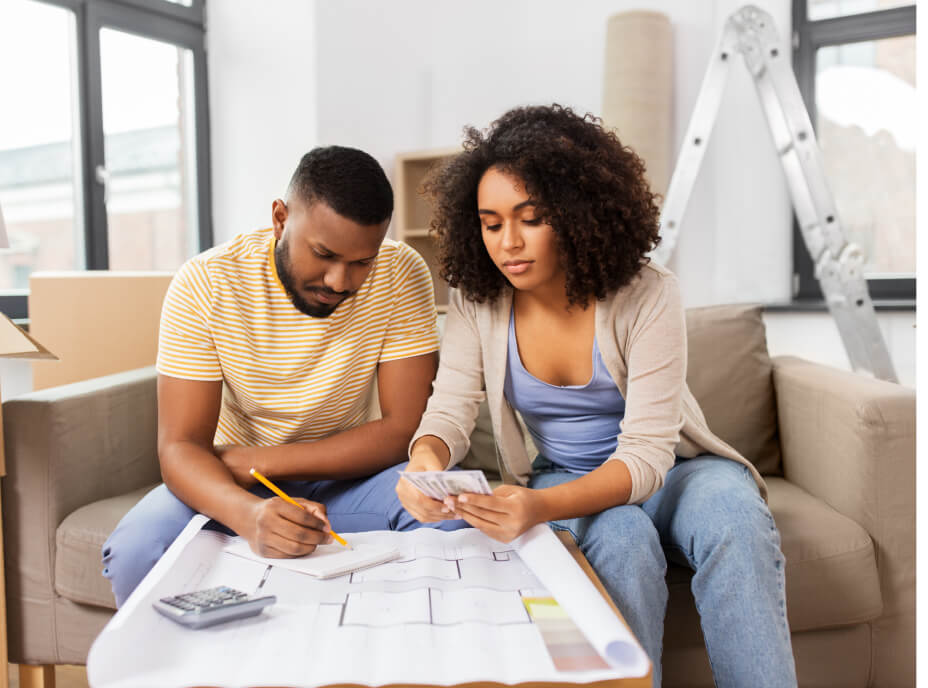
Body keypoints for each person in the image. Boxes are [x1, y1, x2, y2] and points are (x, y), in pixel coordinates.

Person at [395, 105, 797, 688]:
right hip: (565, 473)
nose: (508, 243)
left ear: (578, 214)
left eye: (530, 218)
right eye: (490, 222)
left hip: (681, 470)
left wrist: (532, 508)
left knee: (736, 518)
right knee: (623, 540)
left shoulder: (649, 294)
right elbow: (449, 411)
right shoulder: (477, 302)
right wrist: (424, 464)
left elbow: (646, 458)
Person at [103, 146, 466, 607]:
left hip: (345, 478)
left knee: (449, 518)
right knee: (138, 549)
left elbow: (403, 430)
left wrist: (263, 461)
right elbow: (179, 448)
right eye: (323, 254)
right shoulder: (206, 282)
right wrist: (248, 513)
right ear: (279, 218)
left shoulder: (400, 272)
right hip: (230, 481)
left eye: (361, 262)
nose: (339, 280)